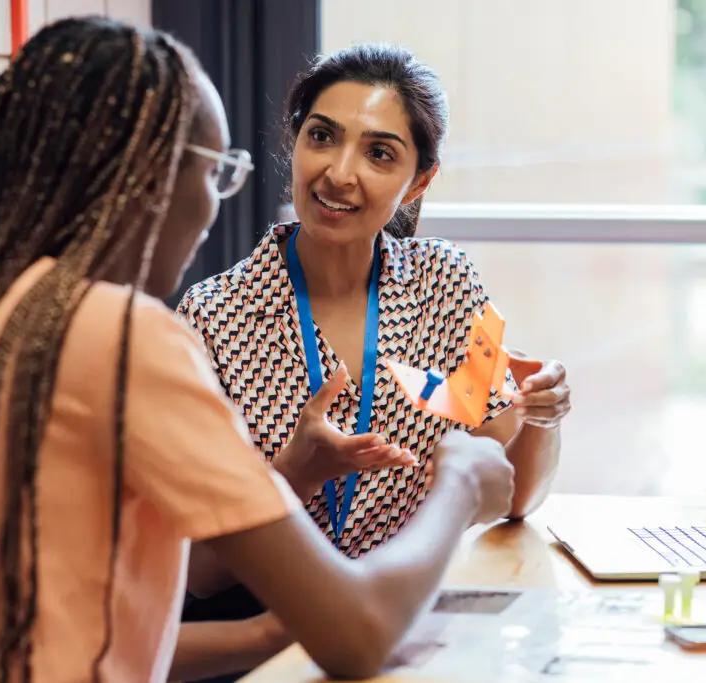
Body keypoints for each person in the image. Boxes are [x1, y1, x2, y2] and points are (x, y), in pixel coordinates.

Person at [0, 18, 515, 683]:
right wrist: (460, 480)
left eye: (380, 153)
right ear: (149, 177)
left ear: (418, 178)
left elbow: (79, 631)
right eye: (217, 172)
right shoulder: (129, 334)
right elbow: (359, 635)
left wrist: (272, 630)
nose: (212, 209)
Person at [177, 44, 572, 601]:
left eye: (379, 154)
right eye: (321, 137)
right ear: (294, 144)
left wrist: (541, 417)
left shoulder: (448, 284)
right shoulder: (213, 316)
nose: (339, 174)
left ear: (418, 182)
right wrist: (293, 473)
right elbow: (193, 574)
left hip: (414, 611)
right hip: (267, 626)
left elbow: (512, 496)